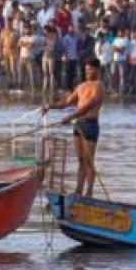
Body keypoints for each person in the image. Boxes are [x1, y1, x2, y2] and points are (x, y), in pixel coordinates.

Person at [43, 58, 104, 197]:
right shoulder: (81, 86)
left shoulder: (98, 86)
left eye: (90, 69)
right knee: (81, 160)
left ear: (97, 70)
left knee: (89, 160)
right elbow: (67, 101)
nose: (88, 72)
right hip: (79, 124)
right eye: (86, 69)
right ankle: (78, 190)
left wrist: (70, 117)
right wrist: (49, 106)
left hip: (90, 125)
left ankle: (89, 192)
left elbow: (89, 104)